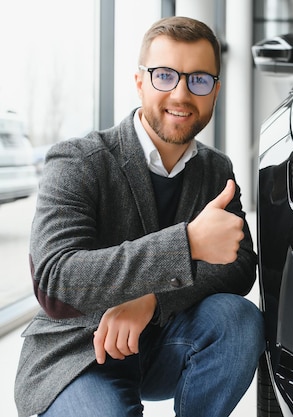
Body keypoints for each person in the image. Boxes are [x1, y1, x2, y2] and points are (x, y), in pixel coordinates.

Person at [14, 16, 264, 417]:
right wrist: (187, 246)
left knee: (238, 320)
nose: (181, 94)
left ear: (215, 91)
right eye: (165, 76)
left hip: (163, 344)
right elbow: (54, 283)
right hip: (77, 354)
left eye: (198, 79)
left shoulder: (217, 169)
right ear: (139, 82)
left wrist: (153, 298)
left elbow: (239, 266)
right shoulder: (78, 160)